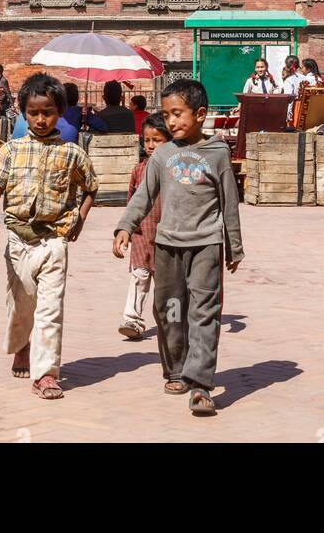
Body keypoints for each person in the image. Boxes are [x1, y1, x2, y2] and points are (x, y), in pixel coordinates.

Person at [113, 77, 244, 417]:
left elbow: (229, 202)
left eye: (178, 114)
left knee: (204, 313)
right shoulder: (163, 155)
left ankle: (200, 384)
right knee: (169, 310)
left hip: (206, 246)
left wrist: (235, 246)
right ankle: (175, 369)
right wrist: (126, 226)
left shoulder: (217, 153)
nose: (171, 122)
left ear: (200, 114)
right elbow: (143, 195)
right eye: (167, 115)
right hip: (166, 246)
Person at [0, 72, 98, 399]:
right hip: (19, 240)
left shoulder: (72, 153)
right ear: (23, 112)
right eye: (34, 112)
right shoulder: (10, 151)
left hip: (55, 240)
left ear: (59, 112)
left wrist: (80, 218)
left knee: (50, 308)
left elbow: (91, 188)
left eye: (47, 111)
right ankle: (22, 344)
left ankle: (46, 373)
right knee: (23, 302)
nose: (41, 118)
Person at [118, 112, 171, 341]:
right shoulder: (139, 170)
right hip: (141, 234)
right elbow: (132, 202)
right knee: (139, 276)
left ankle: (171, 321)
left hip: (166, 236)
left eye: (156, 140)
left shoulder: (173, 169)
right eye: (147, 140)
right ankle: (132, 319)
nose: (150, 145)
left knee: (167, 283)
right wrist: (126, 230)